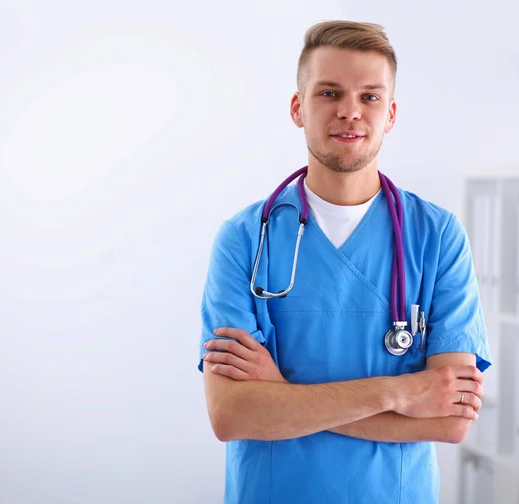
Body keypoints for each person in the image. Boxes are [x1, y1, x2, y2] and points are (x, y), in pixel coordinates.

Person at [198, 20, 491, 504]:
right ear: (298, 107)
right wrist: (398, 393)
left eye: (370, 97)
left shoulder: (436, 237)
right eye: (329, 93)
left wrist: (283, 395)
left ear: (391, 114)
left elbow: (452, 419)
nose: (350, 112)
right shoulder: (245, 239)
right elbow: (232, 415)